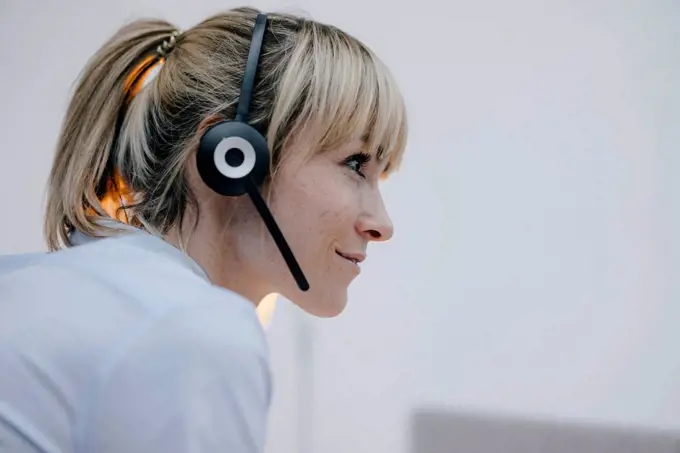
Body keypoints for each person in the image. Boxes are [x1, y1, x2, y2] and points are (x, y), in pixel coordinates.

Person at [0, 6, 407, 453]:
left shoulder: (29, 283)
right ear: (233, 155)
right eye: (355, 164)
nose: (382, 226)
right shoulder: (194, 331)